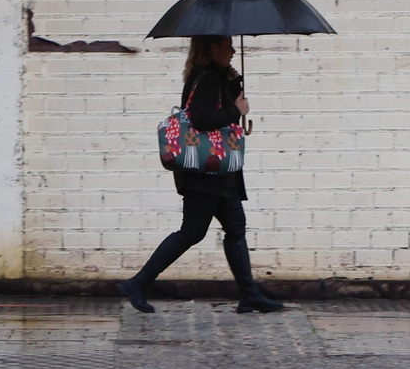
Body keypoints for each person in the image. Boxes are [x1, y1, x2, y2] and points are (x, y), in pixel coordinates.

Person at [118, 35, 286, 314]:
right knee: (192, 232)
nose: (233, 50)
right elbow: (202, 120)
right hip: (205, 175)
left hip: (219, 174)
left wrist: (233, 82)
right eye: (228, 45)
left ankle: (250, 295)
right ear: (213, 48)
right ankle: (138, 282)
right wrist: (237, 110)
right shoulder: (206, 77)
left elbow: (220, 111)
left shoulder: (214, 76)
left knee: (235, 229)